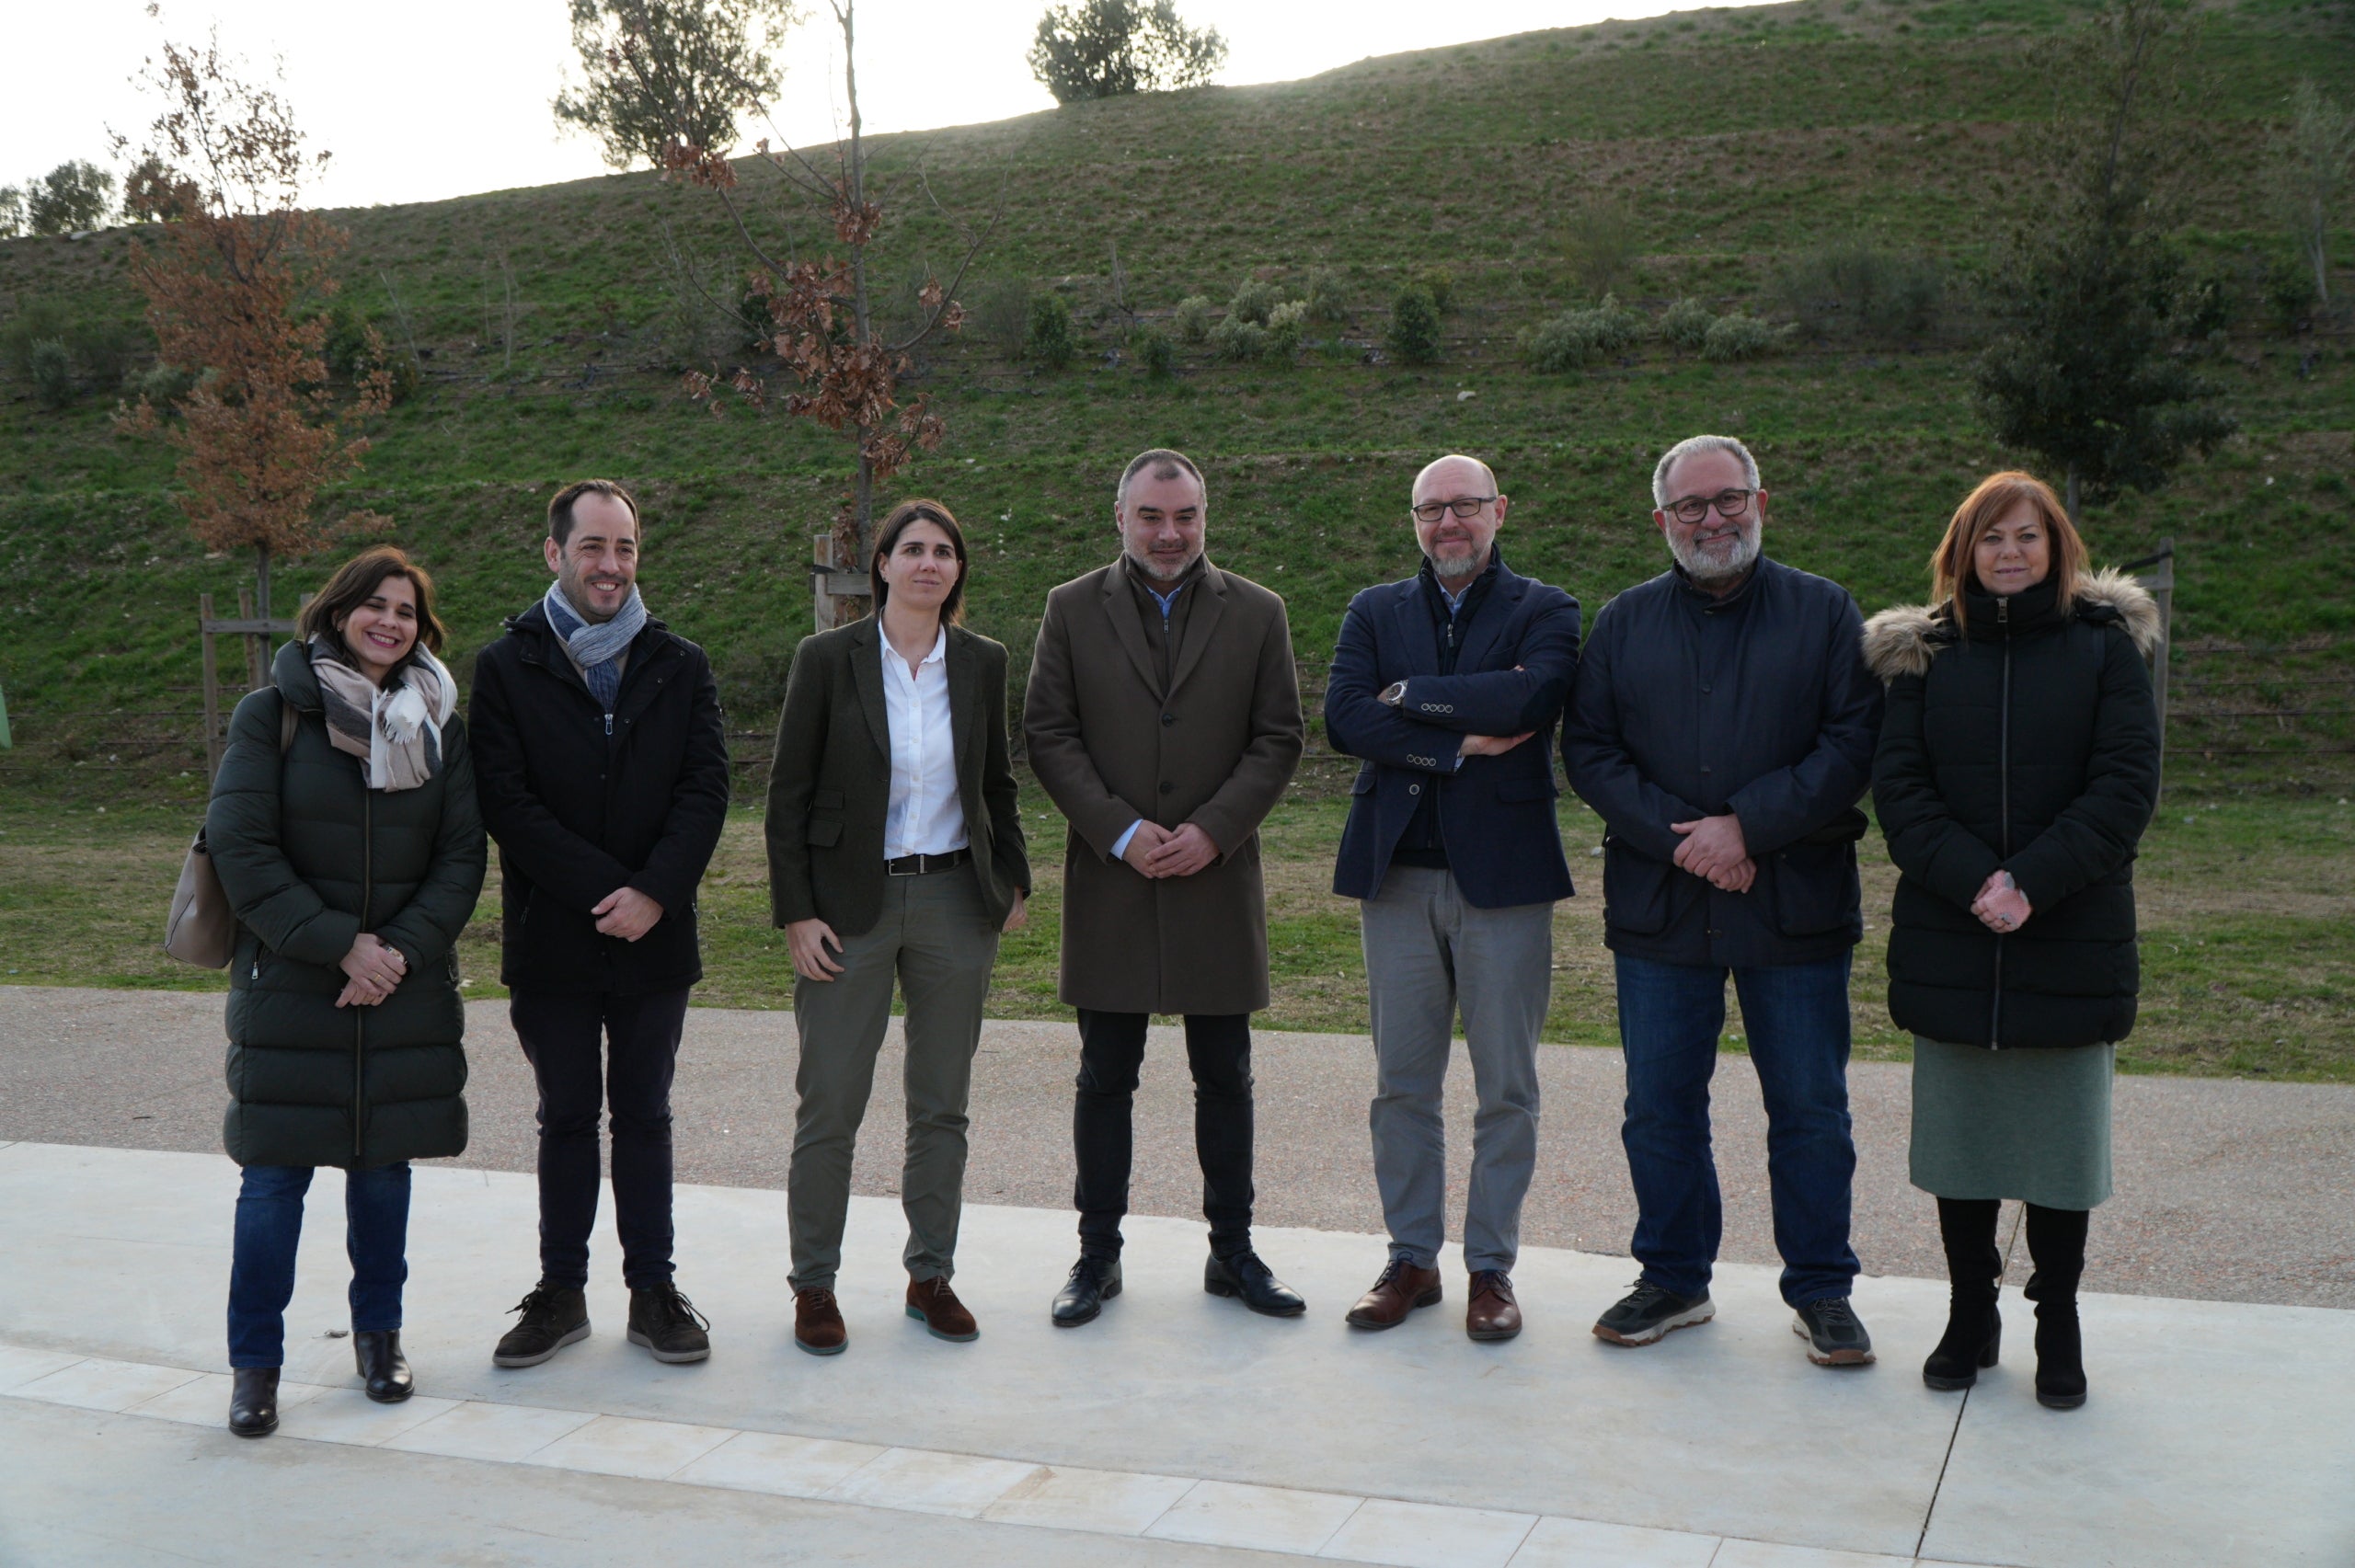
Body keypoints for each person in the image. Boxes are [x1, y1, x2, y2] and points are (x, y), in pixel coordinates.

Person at [1563, 433, 1885, 1367]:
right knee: (1658, 1105)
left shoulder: (1826, 614)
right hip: (1664, 908)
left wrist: (1746, 827)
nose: (1711, 519)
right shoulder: (1623, 624)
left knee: (1811, 1108)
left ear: (1760, 501)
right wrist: (1690, 842)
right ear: (1660, 519)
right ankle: (1672, 1277)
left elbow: (1852, 741)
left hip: (1795, 905)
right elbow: (1589, 750)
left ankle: (1822, 1287)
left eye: (1727, 499)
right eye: (1689, 506)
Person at [1864, 470, 2160, 1411]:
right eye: (1990, 537)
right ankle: (1969, 1312)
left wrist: (2029, 882)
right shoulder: (1920, 657)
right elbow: (1900, 793)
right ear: (1962, 550)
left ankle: (2057, 1319)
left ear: (2056, 546)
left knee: (2060, 1151)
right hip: (1954, 933)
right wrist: (1975, 883)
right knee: (1964, 1143)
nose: (2008, 552)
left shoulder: (2103, 650)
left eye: (2026, 536)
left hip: (2067, 930)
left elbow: (2122, 787)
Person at [1023, 447, 1307, 1327]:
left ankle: (1234, 1252)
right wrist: (1119, 830)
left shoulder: (1260, 612)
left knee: (1226, 1076)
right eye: (1152, 516)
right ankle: (1096, 1257)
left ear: (1204, 517)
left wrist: (1214, 831)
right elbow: (1048, 731)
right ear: (1121, 517)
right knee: (1105, 1076)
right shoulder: (1070, 609)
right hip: (1113, 881)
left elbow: (1279, 738)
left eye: (1185, 516)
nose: (1170, 533)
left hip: (1215, 882)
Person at [205, 546, 485, 1436]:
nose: (390, 622)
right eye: (374, 605)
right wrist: (341, 947)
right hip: (295, 988)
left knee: (382, 1179)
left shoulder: (438, 725)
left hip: (396, 991)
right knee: (272, 1188)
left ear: (421, 630)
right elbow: (242, 850)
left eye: (406, 611)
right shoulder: (271, 715)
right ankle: (255, 1365)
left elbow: (461, 856)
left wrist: (394, 952)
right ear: (336, 612)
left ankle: (379, 1338)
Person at [469, 478, 730, 1368]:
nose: (610, 564)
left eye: (623, 548)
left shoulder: (680, 663)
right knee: (568, 1116)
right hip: (555, 937)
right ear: (555, 553)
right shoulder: (507, 666)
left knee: (646, 1115)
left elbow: (706, 790)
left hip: (657, 937)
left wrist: (654, 891)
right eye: (593, 546)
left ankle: (653, 1290)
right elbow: (506, 800)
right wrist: (606, 891)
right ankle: (561, 1291)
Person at [1323, 453, 1581, 1342]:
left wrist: (1414, 698)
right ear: (1415, 522)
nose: (1448, 524)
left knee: (1506, 1084)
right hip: (1395, 876)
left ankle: (1491, 1268)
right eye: (1431, 510)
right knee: (1402, 1083)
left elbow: (1533, 695)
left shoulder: (1545, 609)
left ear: (1498, 510)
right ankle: (1411, 1259)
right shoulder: (1374, 609)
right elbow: (1345, 716)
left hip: (1504, 881)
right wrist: (1459, 742)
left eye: (1464, 507)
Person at [764, 499, 1032, 1356]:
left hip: (956, 900)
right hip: (848, 908)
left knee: (941, 1104)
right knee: (831, 1102)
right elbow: (788, 797)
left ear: (958, 569)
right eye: (911, 549)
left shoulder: (982, 662)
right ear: (880, 564)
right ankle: (814, 1285)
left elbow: (996, 782)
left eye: (944, 551)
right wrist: (797, 911)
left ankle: (931, 1275)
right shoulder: (827, 658)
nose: (929, 563)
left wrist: (1011, 876)